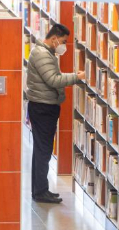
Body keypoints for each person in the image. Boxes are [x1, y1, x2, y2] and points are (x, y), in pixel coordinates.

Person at [26, 23, 85, 204]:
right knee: (43, 150)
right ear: (54, 39)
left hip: (44, 106)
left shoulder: (45, 52)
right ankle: (40, 191)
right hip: (43, 108)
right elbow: (53, 80)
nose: (64, 45)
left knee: (42, 149)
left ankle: (40, 189)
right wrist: (77, 77)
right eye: (64, 41)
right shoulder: (42, 54)